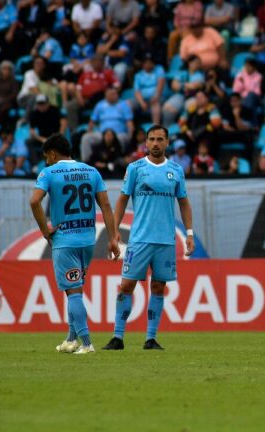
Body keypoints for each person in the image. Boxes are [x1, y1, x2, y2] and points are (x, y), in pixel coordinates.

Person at [103, 125, 195, 351]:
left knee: (158, 287)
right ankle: (117, 337)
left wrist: (189, 233)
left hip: (165, 240)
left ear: (167, 142)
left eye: (160, 139)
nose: (155, 143)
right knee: (126, 285)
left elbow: (183, 203)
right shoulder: (135, 168)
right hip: (139, 239)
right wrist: (114, 231)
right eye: (151, 139)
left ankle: (150, 338)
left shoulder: (176, 170)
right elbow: (122, 200)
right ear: (146, 142)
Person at [29, 134, 120, 355]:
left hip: (64, 240)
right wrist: (113, 237)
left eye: (47, 158)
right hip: (88, 240)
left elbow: (34, 201)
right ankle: (71, 339)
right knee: (75, 290)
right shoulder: (92, 171)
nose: (47, 162)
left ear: (52, 153)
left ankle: (87, 343)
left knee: (73, 293)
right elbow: (106, 205)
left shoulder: (49, 173)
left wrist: (44, 230)